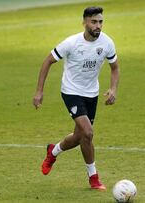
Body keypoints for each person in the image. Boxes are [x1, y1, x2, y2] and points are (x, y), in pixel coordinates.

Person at [33, 6, 119, 191]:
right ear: (85, 22)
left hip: (92, 94)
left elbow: (115, 67)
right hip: (71, 92)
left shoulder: (107, 43)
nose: (98, 26)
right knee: (87, 133)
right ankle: (93, 178)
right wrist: (39, 91)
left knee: (80, 137)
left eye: (101, 22)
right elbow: (47, 61)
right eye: (94, 22)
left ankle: (53, 151)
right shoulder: (71, 43)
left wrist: (113, 89)